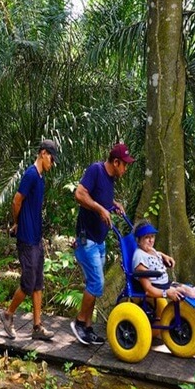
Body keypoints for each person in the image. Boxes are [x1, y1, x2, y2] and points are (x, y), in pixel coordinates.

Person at [70, 143, 136, 346]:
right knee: (96, 283)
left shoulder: (110, 179)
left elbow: (99, 197)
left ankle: (88, 328)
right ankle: (80, 322)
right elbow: (80, 194)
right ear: (115, 162)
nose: (125, 169)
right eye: (124, 165)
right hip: (86, 238)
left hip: (99, 240)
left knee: (96, 284)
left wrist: (112, 204)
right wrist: (100, 209)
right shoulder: (96, 170)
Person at [0, 139, 58, 341]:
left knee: (38, 283)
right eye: (51, 156)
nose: (52, 162)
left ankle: (37, 327)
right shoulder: (31, 174)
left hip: (36, 239)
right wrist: (17, 223)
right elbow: (17, 200)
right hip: (26, 238)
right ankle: (7, 315)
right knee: (28, 282)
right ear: (42, 153)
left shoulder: (41, 179)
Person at [132, 220, 195, 301]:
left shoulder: (150, 250)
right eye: (147, 237)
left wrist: (164, 256)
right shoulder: (140, 257)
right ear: (138, 241)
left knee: (185, 287)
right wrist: (166, 293)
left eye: (152, 236)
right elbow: (148, 290)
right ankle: (192, 293)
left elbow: (157, 253)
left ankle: (193, 291)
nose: (151, 240)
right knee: (182, 291)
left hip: (165, 282)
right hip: (157, 286)